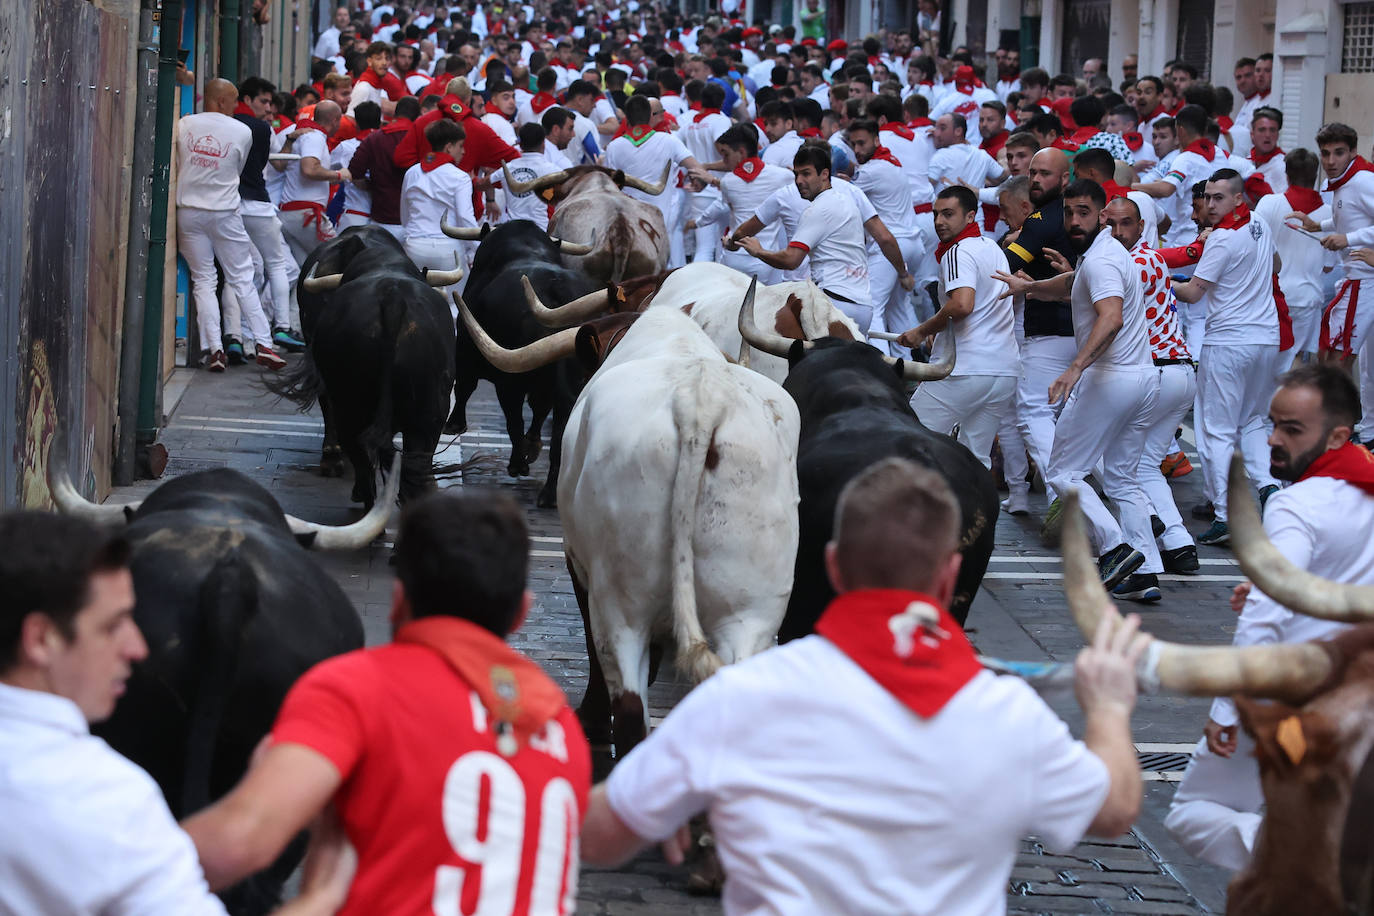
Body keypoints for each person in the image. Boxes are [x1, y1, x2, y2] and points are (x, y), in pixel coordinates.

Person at [579, 456, 1147, 913]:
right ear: (949, 577)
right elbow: (1115, 808)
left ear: (831, 567)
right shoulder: (1009, 714)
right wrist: (1110, 706)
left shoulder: (743, 697)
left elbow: (600, 833)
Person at [183, 490, 592, 914]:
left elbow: (237, 843)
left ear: (399, 599)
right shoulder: (562, 730)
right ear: (521, 613)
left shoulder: (356, 690)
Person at [0, 512, 349, 915]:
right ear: (41, 639)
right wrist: (322, 896)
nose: (138, 647)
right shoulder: (107, 800)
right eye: (112, 626)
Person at [1166, 364, 1374, 870]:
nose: (1274, 440)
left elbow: (1265, 613)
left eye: (1292, 430)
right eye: (1273, 424)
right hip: (1360, 702)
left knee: (1193, 812)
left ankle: (1310, 857)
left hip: (1287, 710)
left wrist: (1228, 710)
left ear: (1338, 435)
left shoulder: (1295, 505)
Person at [995, 179, 1161, 589]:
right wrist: (1030, 287)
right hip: (1144, 381)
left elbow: (1111, 317)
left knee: (1064, 473)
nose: (1073, 220)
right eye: (1068, 212)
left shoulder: (1102, 261)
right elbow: (1073, 284)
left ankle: (1115, 550)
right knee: (1122, 478)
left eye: (1083, 211)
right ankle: (1143, 572)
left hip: (1112, 379)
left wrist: (1074, 369)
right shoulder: (1106, 254)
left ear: (1102, 215)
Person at [1171, 169, 1282, 546]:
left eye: (1219, 198)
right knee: (1252, 421)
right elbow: (1276, 265)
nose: (1211, 204)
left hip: (1230, 341)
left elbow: (1193, 294)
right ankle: (1268, 488)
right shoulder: (1260, 226)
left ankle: (1225, 514)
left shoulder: (1222, 240)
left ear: (1238, 199)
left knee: (1215, 430)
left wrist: (1156, 278)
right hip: (1266, 339)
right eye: (1208, 197)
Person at [1103, 196, 1200, 596]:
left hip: (1155, 372)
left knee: (1113, 464)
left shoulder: (1129, 263)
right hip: (1179, 373)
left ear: (1140, 226)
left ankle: (1146, 533)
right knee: (1144, 464)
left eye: (1126, 224)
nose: (1118, 232)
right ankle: (1178, 542)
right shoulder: (1155, 259)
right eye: (1112, 224)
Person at [898, 185, 1015, 468]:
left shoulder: (957, 252)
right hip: (1004, 371)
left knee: (907, 444)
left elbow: (962, 305)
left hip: (965, 369)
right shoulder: (992, 248)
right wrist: (938, 332)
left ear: (971, 216)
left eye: (948, 214)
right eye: (937, 214)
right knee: (975, 461)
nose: (939, 221)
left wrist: (921, 330)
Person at [176, 78, 286, 372]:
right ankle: (264, 343)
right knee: (242, 277)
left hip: (188, 210)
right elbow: (236, 168)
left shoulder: (184, 125)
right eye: (234, 100)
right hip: (224, 210)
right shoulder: (243, 131)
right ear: (222, 101)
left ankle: (214, 349)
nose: (237, 106)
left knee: (204, 280)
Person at [1003, 149, 1078, 504]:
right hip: (1088, 333)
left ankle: (1063, 495)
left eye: (1044, 173)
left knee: (1033, 412)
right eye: (1032, 173)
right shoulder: (1085, 218)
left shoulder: (1040, 220)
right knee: (1071, 421)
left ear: (1065, 179)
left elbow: (1004, 267)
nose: (1035, 179)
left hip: (1049, 333)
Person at [733, 144, 873, 329]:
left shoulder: (816, 209)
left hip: (834, 306)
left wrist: (759, 252)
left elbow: (791, 260)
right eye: (796, 175)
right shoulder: (848, 200)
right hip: (864, 307)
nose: (799, 180)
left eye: (806, 174)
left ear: (824, 174)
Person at [226, 76, 303, 358]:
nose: (268, 108)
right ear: (246, 100)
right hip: (258, 204)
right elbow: (278, 163)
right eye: (264, 101)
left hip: (230, 205)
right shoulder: (263, 129)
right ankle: (280, 325)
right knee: (277, 265)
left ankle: (236, 335)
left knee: (240, 272)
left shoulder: (228, 126)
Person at [1289, 122, 1374, 365]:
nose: (1331, 161)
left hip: (1363, 281)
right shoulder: (1345, 181)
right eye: (1325, 153)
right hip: (1359, 279)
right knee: (1363, 369)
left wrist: (1347, 239)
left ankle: (1337, 405)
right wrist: (1318, 225)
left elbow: (1351, 228)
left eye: (1339, 153)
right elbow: (1350, 216)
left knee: (1335, 359)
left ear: (1353, 152)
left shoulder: (1362, 181)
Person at [846, 119, 922, 348]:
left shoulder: (871, 170)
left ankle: (882, 366)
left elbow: (843, 189)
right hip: (912, 243)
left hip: (890, 246)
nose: (857, 150)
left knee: (873, 306)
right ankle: (907, 365)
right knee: (897, 309)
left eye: (862, 143)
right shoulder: (891, 162)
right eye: (854, 145)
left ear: (877, 140)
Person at [689, 124, 794, 283]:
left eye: (726, 154)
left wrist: (697, 222)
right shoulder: (784, 176)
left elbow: (720, 206)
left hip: (733, 258)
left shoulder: (727, 182)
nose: (723, 161)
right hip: (765, 259)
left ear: (742, 153)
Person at [603, 95, 706, 255]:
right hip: (663, 218)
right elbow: (696, 167)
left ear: (627, 119)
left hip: (628, 220)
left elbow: (609, 187)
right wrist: (701, 181)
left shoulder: (613, 147)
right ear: (650, 116)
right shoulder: (669, 140)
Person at [1255, 149, 1332, 358]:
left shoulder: (1268, 203)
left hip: (1272, 297)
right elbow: (1328, 265)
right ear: (1316, 176)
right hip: (1308, 298)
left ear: (1287, 175)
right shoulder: (1329, 214)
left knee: (1269, 360)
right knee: (1295, 361)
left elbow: (1254, 248)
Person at [401, 119, 475, 291]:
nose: (463, 151)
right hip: (448, 250)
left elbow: (405, 215)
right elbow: (465, 218)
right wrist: (479, 248)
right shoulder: (460, 177)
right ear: (449, 147)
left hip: (414, 246)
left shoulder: (411, 173)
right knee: (453, 307)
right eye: (460, 146)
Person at [276, 99, 348, 268]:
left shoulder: (305, 136)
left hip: (291, 214)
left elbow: (280, 165)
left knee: (304, 271)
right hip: (306, 216)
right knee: (339, 260)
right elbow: (309, 169)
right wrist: (339, 175)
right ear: (335, 120)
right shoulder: (314, 137)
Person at [346, 94, 419, 240]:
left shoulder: (375, 138)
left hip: (382, 222)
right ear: (417, 116)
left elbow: (354, 172)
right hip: (416, 224)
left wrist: (374, 185)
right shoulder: (422, 138)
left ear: (396, 113)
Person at [500, 123, 563, 230]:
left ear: (520, 144)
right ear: (543, 143)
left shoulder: (506, 169)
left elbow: (484, 183)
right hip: (541, 231)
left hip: (511, 230)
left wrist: (490, 200)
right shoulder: (555, 170)